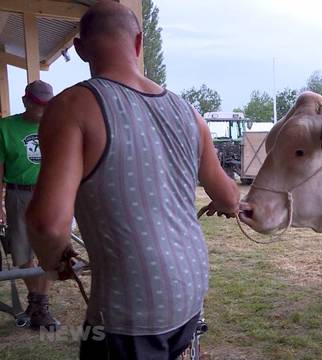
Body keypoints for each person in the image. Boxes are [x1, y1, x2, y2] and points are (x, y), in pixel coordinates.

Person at [25, 2, 239, 359]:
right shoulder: (189, 113)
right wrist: (225, 201)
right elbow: (230, 197)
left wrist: (53, 260)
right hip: (189, 285)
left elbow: (47, 223)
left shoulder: (72, 107)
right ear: (139, 43)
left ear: (79, 49)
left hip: (130, 305)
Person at [0, 80, 59, 330]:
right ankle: (39, 303)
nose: (43, 111)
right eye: (38, 105)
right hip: (17, 194)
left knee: (51, 252)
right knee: (23, 254)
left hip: (50, 193)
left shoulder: (57, 125)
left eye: (48, 105)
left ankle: (39, 305)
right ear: (26, 102)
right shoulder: (5, 127)